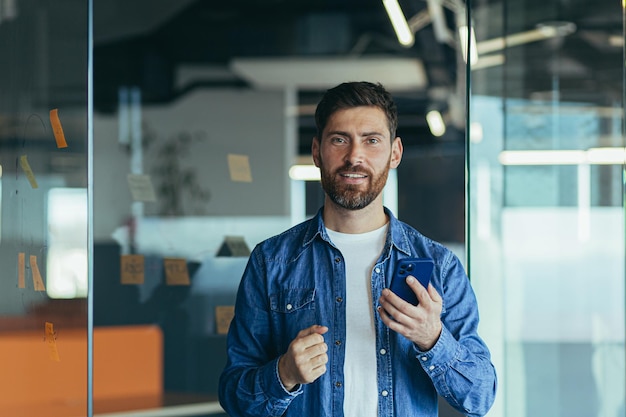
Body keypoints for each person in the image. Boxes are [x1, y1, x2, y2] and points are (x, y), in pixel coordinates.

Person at [218, 81, 497, 417]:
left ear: (395, 153)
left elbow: (480, 395)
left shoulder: (440, 266)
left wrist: (433, 338)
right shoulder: (271, 262)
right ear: (317, 151)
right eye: (340, 140)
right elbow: (234, 397)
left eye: (371, 140)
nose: (354, 156)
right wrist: (285, 374)